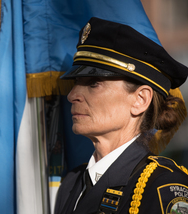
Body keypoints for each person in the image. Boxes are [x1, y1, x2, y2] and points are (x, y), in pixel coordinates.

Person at [54, 17, 188, 214]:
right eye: (75, 82)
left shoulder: (163, 185)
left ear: (140, 99)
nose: (73, 95)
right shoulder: (71, 183)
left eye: (94, 83)